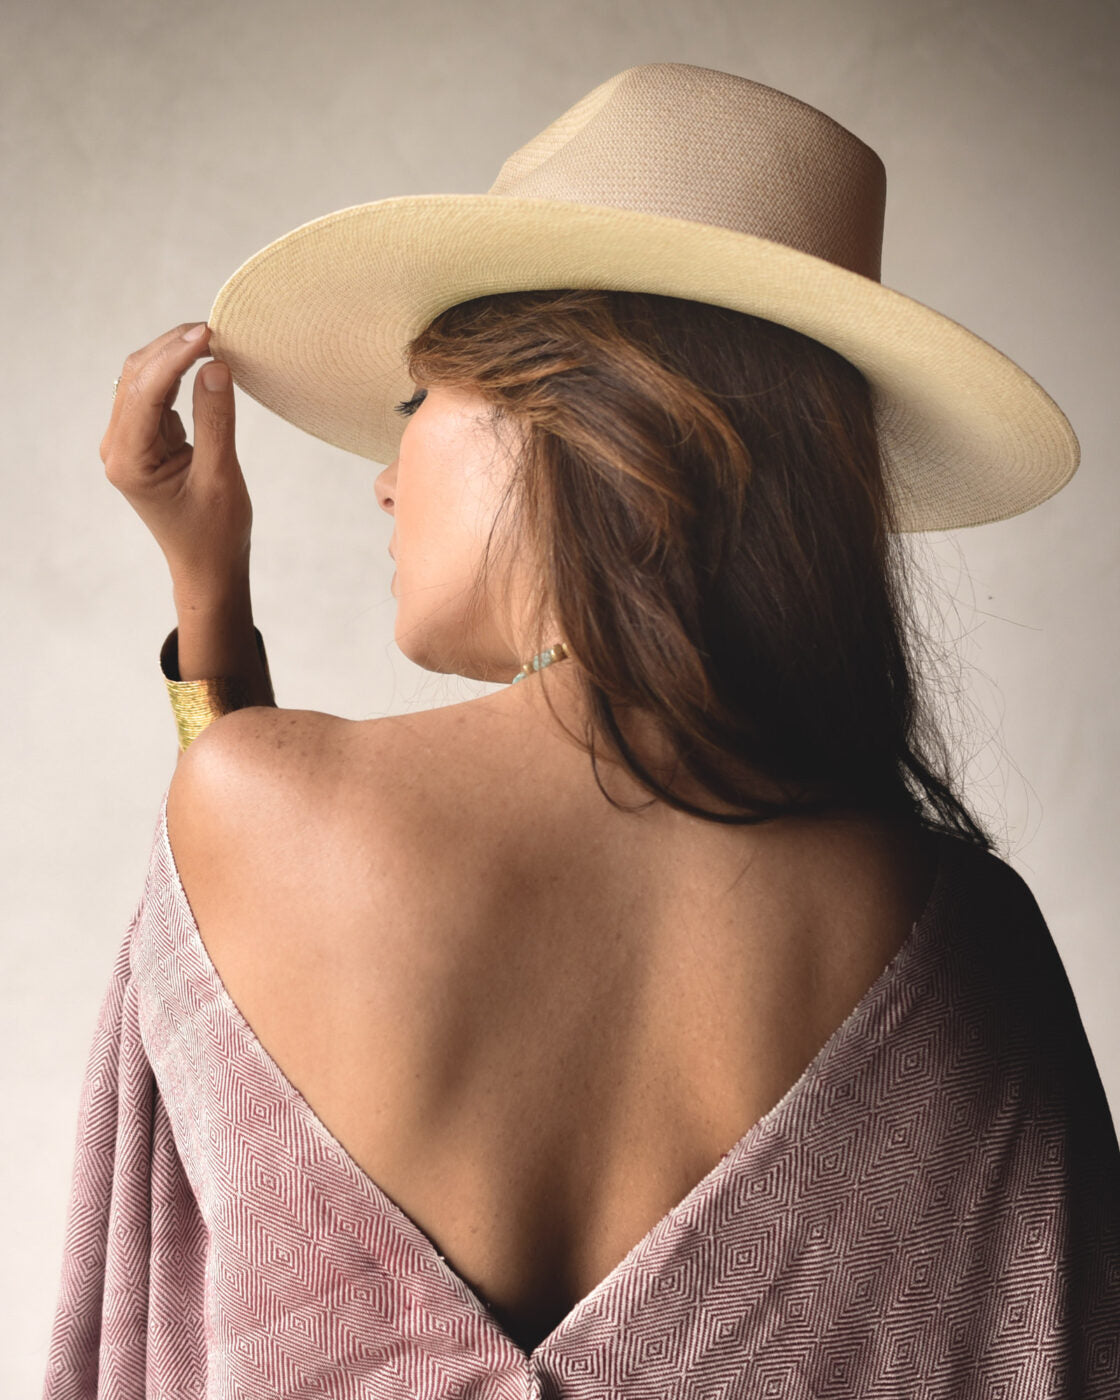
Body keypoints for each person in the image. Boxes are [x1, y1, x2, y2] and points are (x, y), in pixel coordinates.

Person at [44, 63, 1119, 1398]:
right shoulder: (963, 940)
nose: (384, 478)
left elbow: (233, 1017)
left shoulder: (254, 809)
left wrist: (207, 595)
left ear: (575, 424)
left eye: (416, 404)